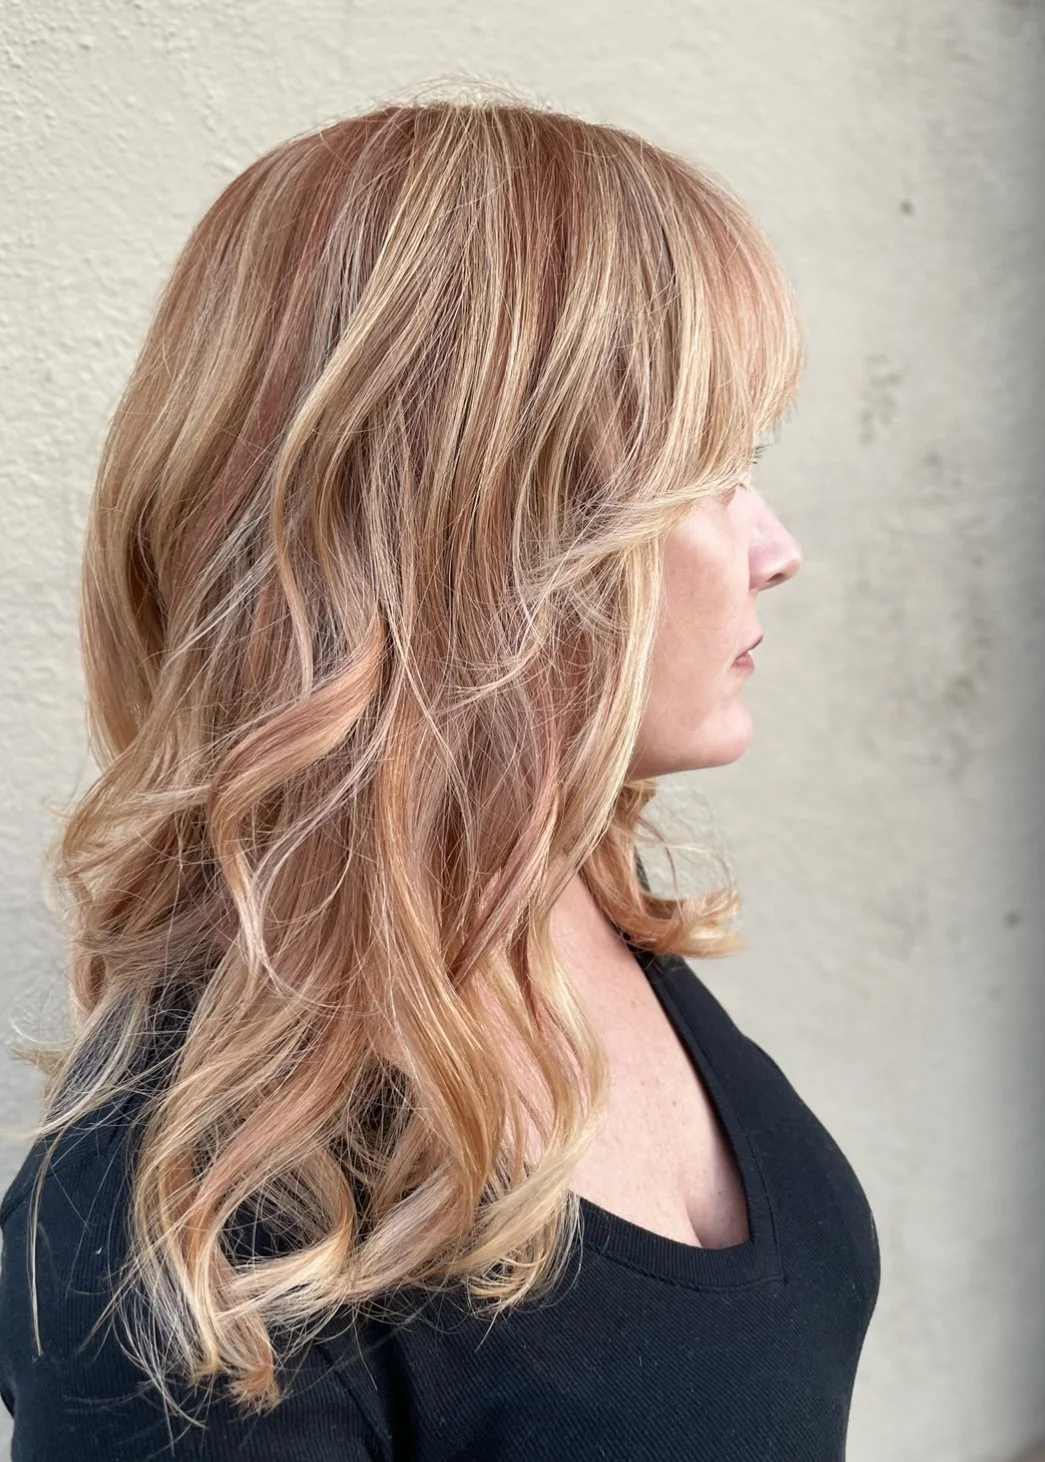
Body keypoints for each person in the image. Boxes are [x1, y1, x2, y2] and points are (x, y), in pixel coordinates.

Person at [0, 93, 880, 1460]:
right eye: (712, 473)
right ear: (490, 539)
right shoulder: (200, 1247)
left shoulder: (564, 895)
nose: (776, 548)